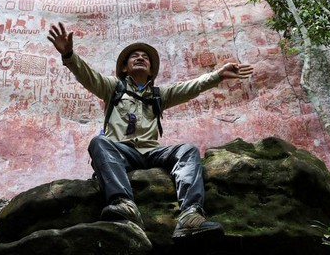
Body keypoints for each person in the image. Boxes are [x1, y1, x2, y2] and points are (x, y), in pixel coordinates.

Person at [47, 22, 253, 240]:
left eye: (145, 57)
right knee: (98, 143)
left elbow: (191, 86)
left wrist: (218, 75)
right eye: (134, 56)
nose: (140, 58)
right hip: (121, 152)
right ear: (124, 68)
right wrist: (69, 54)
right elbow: (87, 75)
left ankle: (190, 216)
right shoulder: (112, 88)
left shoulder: (159, 95)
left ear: (151, 71)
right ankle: (124, 204)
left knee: (188, 150)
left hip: (151, 153)